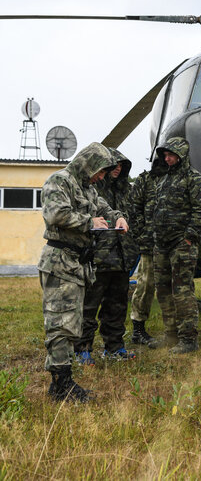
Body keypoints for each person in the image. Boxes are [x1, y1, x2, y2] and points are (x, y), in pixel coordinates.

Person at [39, 142, 128, 402]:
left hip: (77, 263)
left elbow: (105, 210)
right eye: (99, 171)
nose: (101, 177)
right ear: (88, 163)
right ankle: (61, 384)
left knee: (72, 324)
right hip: (60, 261)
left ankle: (61, 382)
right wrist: (89, 222)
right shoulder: (60, 180)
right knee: (60, 324)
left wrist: (118, 217)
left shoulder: (87, 189)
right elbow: (56, 214)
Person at [73, 148, 140, 362]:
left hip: (121, 257)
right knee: (89, 306)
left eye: (121, 166)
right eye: (113, 166)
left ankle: (114, 347)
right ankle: (82, 349)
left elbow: (133, 216)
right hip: (97, 257)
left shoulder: (126, 191)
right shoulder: (91, 189)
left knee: (117, 305)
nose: (117, 170)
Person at [150, 137, 201, 354]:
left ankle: (188, 339)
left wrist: (189, 238)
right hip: (161, 244)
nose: (167, 158)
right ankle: (170, 335)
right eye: (165, 155)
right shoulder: (164, 180)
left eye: (171, 154)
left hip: (181, 244)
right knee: (163, 290)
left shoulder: (195, 180)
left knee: (182, 291)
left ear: (182, 154)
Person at [128, 158, 167, 345]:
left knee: (174, 287)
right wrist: (141, 235)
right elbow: (133, 210)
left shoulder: (178, 179)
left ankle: (175, 330)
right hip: (149, 244)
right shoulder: (145, 180)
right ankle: (138, 329)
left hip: (172, 244)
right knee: (145, 285)